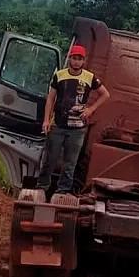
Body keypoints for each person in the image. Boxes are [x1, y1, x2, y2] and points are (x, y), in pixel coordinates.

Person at [38, 44, 111, 194]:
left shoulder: (89, 77)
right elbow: (51, 98)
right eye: (74, 58)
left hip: (78, 128)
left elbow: (105, 94)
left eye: (80, 59)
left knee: (70, 163)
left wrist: (91, 109)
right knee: (50, 159)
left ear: (83, 61)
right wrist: (46, 120)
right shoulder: (60, 75)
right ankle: (41, 187)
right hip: (58, 124)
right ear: (70, 58)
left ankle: (62, 191)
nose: (77, 61)